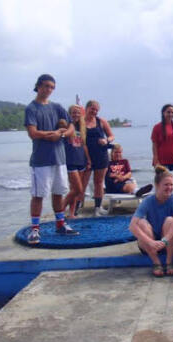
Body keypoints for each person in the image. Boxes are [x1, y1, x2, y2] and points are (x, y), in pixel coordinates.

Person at [24, 74, 78, 244]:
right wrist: (51, 135)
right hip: (41, 160)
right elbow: (32, 133)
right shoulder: (31, 108)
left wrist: (61, 133)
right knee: (39, 195)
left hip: (59, 159)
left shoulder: (57, 107)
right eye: (46, 86)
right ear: (38, 86)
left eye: (52, 87)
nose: (49, 90)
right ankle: (35, 229)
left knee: (58, 193)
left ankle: (60, 224)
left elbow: (71, 127)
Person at [129, 166, 173, 277]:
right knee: (142, 223)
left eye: (171, 185)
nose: (169, 188)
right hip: (150, 243)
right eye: (166, 185)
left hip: (168, 241)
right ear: (157, 186)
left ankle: (169, 262)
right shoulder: (148, 201)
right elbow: (132, 226)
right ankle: (156, 263)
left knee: (170, 220)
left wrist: (165, 240)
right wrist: (150, 242)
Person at [82, 100, 115, 216]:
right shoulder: (80, 122)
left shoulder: (101, 121)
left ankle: (97, 208)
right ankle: (75, 208)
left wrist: (106, 140)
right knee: (82, 183)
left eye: (96, 110)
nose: (94, 112)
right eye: (92, 109)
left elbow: (111, 136)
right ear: (86, 108)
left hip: (101, 155)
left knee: (99, 182)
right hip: (85, 156)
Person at [63, 105, 90, 218]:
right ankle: (60, 209)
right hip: (70, 160)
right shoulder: (66, 126)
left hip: (81, 161)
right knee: (77, 189)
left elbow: (84, 145)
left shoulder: (82, 127)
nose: (76, 115)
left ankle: (72, 213)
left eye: (78, 113)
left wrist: (88, 160)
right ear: (69, 113)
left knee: (74, 190)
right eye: (73, 112)